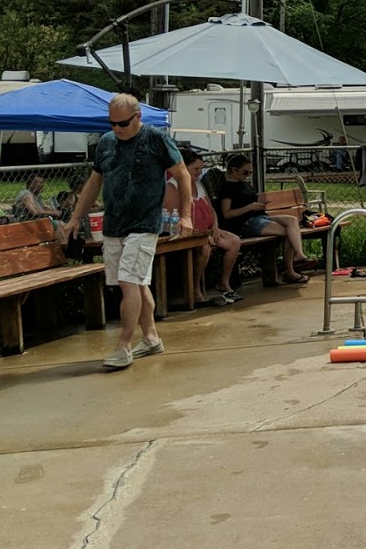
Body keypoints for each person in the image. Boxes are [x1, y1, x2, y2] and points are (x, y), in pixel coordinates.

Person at [67, 94, 190, 370]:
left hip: (144, 224)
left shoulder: (156, 139)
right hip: (114, 225)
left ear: (138, 117)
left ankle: (124, 345)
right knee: (136, 282)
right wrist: (75, 217)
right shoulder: (106, 143)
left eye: (123, 123)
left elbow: (182, 174)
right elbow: (94, 182)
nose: (117, 129)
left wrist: (185, 215)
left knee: (128, 281)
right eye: (112, 123)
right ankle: (150, 338)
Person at [216, 153, 311, 284]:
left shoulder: (245, 184)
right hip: (245, 223)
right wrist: (250, 207)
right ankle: (290, 271)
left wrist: (260, 205)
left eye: (249, 173)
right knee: (288, 232)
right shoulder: (227, 188)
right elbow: (227, 213)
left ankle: (299, 254)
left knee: (292, 220)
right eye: (244, 172)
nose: (247, 176)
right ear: (233, 170)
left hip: (259, 216)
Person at [171, 148, 242, 305]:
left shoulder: (199, 185)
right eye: (196, 169)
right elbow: (174, 217)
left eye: (201, 168)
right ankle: (195, 289)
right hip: (189, 234)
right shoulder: (172, 186)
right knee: (204, 247)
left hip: (208, 230)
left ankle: (223, 282)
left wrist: (215, 227)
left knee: (234, 241)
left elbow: (211, 210)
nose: (199, 172)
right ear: (184, 167)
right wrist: (202, 234)